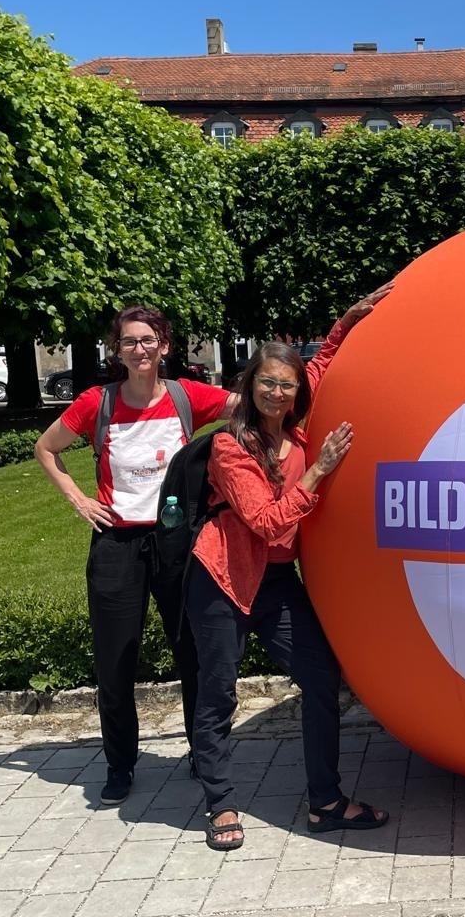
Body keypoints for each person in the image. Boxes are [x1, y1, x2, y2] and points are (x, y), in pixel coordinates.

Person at [186, 287, 392, 850]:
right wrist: (319, 471)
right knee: (218, 692)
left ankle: (326, 802)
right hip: (224, 577)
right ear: (248, 386)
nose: (278, 392)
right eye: (267, 382)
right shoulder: (231, 447)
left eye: (287, 384)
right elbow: (268, 522)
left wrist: (344, 323)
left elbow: (319, 365)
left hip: (275, 581)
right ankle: (220, 804)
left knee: (321, 677)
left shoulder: (295, 426)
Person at [35, 307, 234, 803]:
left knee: (192, 653)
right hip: (118, 546)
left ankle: (201, 751)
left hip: (175, 543)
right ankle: (120, 763)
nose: (140, 349)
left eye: (148, 340)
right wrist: (79, 499)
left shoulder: (189, 397)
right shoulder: (95, 403)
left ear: (164, 346)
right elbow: (46, 448)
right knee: (116, 662)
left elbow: (249, 405)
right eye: (129, 342)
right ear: (117, 350)